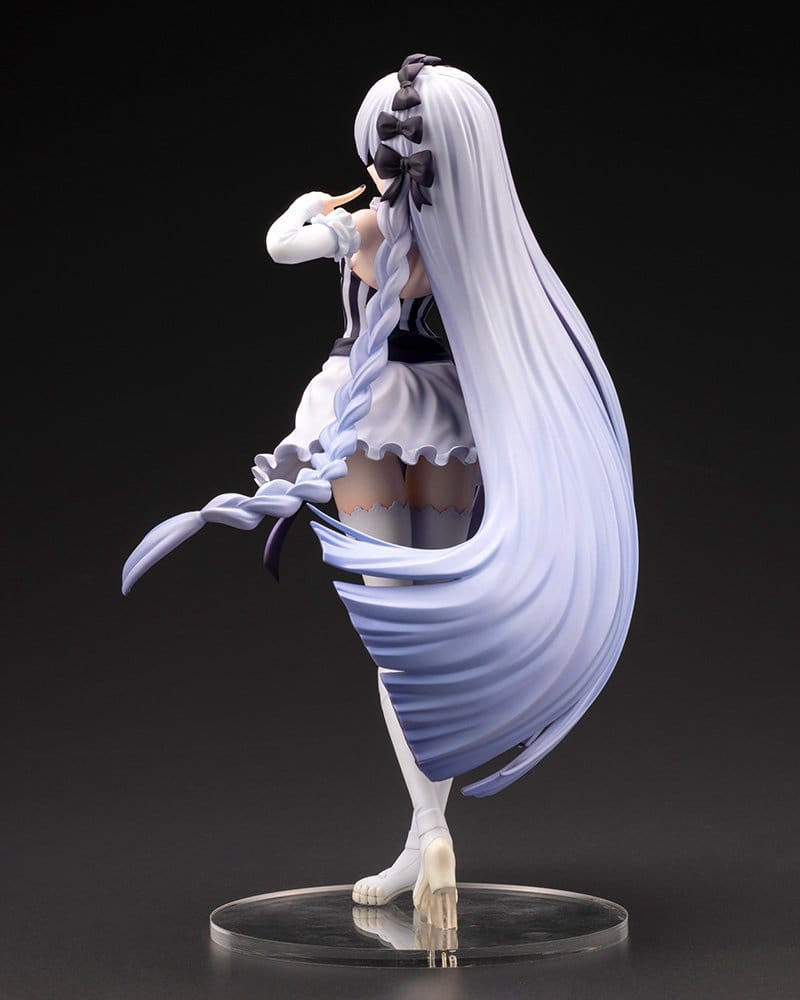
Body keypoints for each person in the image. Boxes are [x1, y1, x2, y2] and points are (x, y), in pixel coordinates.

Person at [122, 55, 639, 933]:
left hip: (367, 420)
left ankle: (428, 831)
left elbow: (281, 244)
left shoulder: (363, 228)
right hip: (450, 422)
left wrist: (311, 207)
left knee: (401, 639)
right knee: (428, 630)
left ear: (382, 152)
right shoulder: (480, 246)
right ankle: (422, 837)